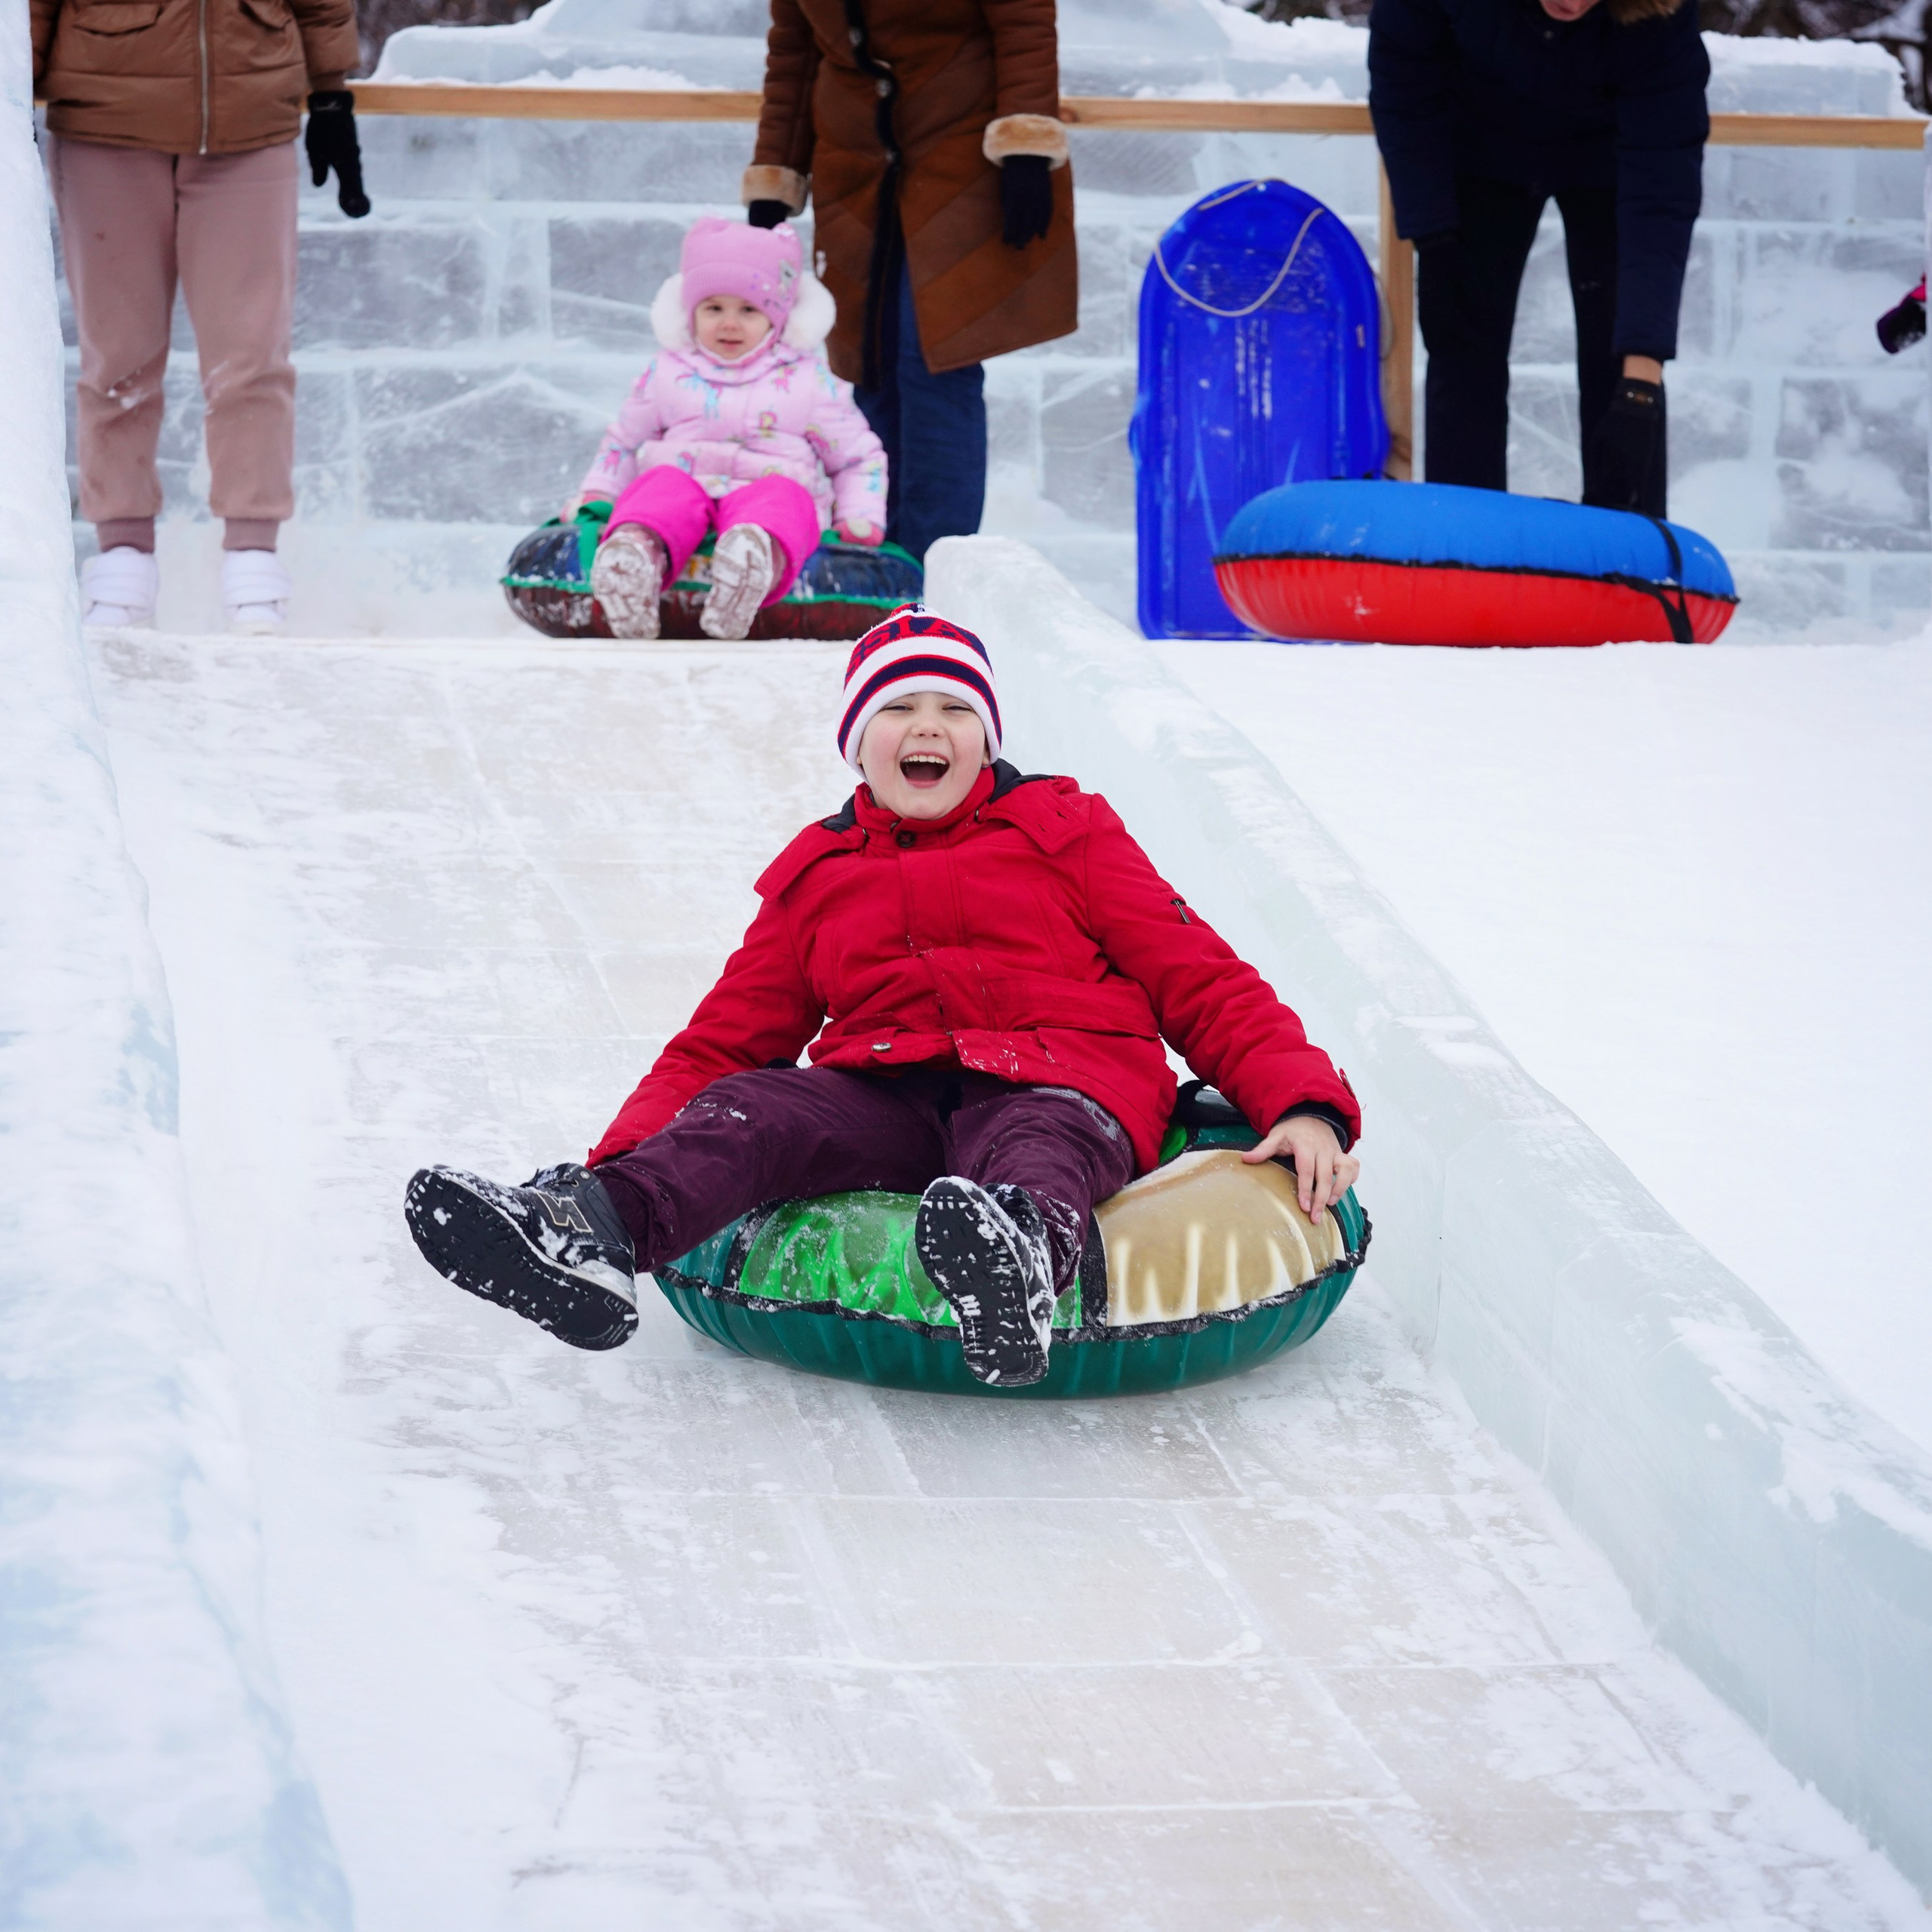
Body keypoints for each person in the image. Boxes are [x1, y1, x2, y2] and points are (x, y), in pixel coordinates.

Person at [405, 606, 1362, 1389]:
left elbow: (1199, 975)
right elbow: (722, 1044)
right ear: (858, 743)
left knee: (1038, 1136)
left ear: (986, 738)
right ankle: (589, 1231)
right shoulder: (819, 875)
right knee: (757, 1108)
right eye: (899, 707)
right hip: (891, 1094)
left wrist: (1303, 1104)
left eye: (955, 706)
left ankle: (1016, 1254)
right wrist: (624, 1158)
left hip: (1064, 1077)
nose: (928, 726)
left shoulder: (1065, 832)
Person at [33, 0, 370, 634]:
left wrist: (330, 93)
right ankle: (123, 555)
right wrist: (13, 93)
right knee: (118, 357)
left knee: (252, 358)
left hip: (250, 125)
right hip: (104, 122)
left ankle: (252, 557)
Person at [741, 0, 1076, 563]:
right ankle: (876, 560)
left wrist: (1025, 146)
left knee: (934, 361)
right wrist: (777, 167)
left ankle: (934, 570)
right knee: (869, 366)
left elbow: (1024, 24)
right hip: (856, 166)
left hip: (961, 153)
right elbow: (794, 49)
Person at [1369, 0, 1708, 518]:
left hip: (1610, 158)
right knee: (1463, 349)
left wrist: (1641, 385)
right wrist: (1434, 232)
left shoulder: (1659, 12)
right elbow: (1404, 82)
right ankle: (1468, 558)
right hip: (1479, 148)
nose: (1571, 1)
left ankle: (1627, 567)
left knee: (1622, 378)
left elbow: (1661, 188)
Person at [569, 216, 888, 642]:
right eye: (714, 308)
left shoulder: (809, 381)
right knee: (660, 485)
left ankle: (753, 563)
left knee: (784, 499)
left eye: (748, 310)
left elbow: (855, 457)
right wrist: (600, 494)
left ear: (777, 317)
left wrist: (858, 515)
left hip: (766, 487)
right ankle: (634, 559)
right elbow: (623, 442)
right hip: (688, 486)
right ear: (690, 312)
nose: (729, 324)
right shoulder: (666, 373)